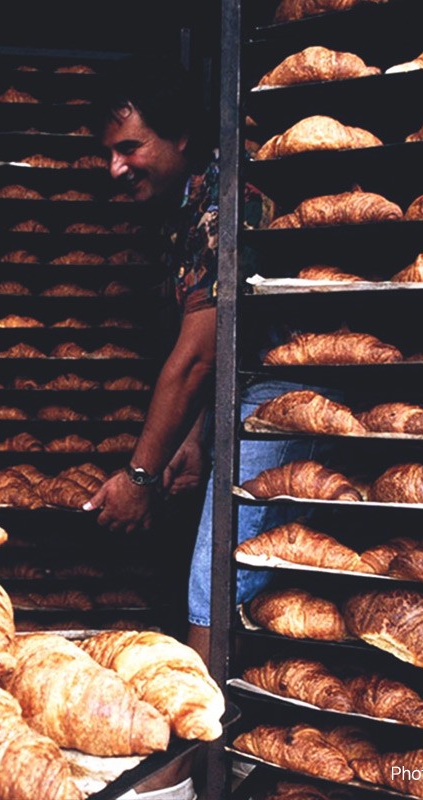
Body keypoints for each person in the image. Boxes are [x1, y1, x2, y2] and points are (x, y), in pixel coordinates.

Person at [84, 62, 317, 663]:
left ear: (181, 136)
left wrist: (138, 477)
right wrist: (193, 436)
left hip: (288, 391)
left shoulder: (223, 200)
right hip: (249, 387)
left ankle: (208, 739)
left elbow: (196, 355)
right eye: (108, 153)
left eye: (129, 148)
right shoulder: (192, 200)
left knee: (217, 583)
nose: (116, 168)